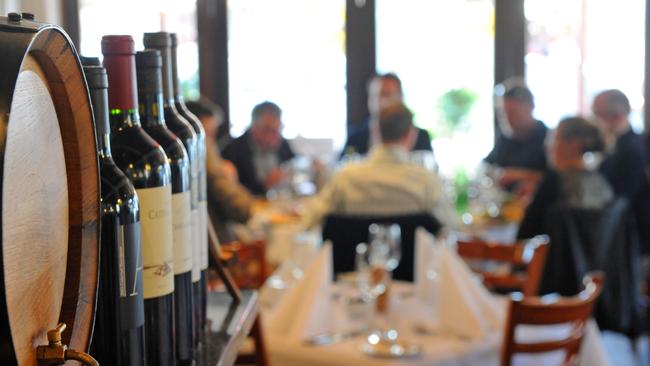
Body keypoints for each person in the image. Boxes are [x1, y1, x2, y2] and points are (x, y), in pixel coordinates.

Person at [303, 102, 455, 229]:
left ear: (376, 131)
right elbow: (452, 226)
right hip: (414, 265)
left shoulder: (345, 178)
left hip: (352, 264)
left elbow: (309, 220)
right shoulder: (426, 181)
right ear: (410, 134)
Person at [517, 116, 614, 239]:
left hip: (554, 255)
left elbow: (525, 233)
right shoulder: (601, 182)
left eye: (554, 139)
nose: (548, 145)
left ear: (574, 144)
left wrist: (529, 207)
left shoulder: (554, 183)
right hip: (592, 257)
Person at [186, 98, 254, 242]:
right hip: (216, 246)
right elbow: (239, 209)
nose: (212, 141)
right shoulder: (203, 149)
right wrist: (230, 177)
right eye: (209, 134)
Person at [592, 89, 650, 252]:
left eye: (597, 114)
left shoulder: (632, 149)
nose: (594, 121)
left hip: (632, 237)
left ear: (616, 116)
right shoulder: (618, 144)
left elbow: (622, 199)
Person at [340, 73, 432, 158]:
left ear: (400, 97)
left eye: (386, 95)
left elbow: (430, 169)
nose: (380, 102)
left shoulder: (418, 136)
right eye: (374, 96)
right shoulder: (355, 137)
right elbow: (341, 165)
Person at [484, 83, 548, 193]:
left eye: (513, 113)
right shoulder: (505, 136)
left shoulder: (549, 139)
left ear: (530, 108)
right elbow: (486, 165)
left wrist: (519, 175)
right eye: (504, 114)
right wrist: (498, 173)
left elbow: (556, 179)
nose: (507, 119)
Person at [221, 101, 295, 196]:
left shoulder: (281, 143)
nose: (276, 136)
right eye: (269, 130)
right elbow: (234, 193)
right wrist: (265, 185)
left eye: (278, 129)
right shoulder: (232, 151)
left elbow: (294, 162)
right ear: (254, 127)